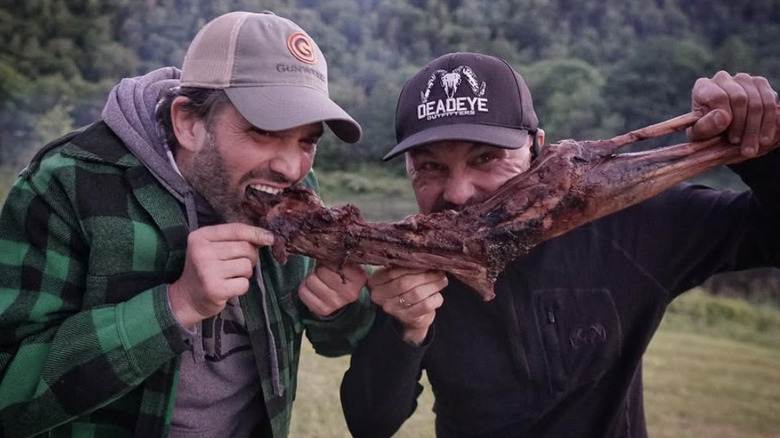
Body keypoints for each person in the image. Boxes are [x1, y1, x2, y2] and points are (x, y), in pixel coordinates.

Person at [340, 52, 780, 437]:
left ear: (537, 148)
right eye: (430, 167)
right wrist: (405, 329)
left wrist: (764, 151)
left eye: (485, 158)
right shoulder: (412, 260)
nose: (457, 193)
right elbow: (370, 422)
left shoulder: (629, 223)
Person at [0, 11, 375, 438]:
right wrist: (177, 306)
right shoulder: (67, 185)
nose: (291, 166)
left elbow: (334, 341)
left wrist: (339, 311)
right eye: (264, 132)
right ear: (189, 123)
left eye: (307, 140)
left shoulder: (289, 188)